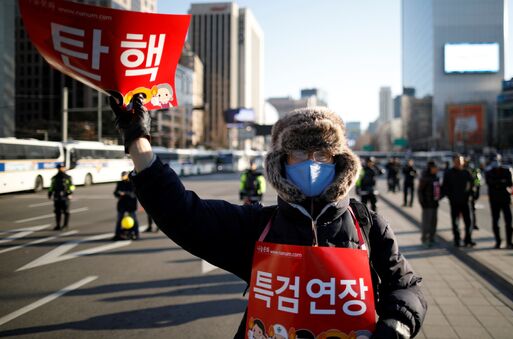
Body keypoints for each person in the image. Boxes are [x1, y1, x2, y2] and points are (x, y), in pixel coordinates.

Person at [109, 93, 426, 338]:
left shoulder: (367, 225)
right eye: (299, 154)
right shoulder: (258, 227)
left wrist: (397, 323)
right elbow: (181, 213)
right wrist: (138, 139)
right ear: (282, 163)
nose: (311, 163)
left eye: (322, 155)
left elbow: (408, 287)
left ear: (339, 161)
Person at [442, 154, 476, 247]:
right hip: (454, 201)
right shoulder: (448, 173)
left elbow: (474, 184)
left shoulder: (467, 172)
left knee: (469, 221)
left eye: (461, 161)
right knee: (455, 222)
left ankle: (468, 239)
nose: (459, 163)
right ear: (454, 162)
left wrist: (472, 195)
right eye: (457, 161)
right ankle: (457, 239)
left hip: (466, 201)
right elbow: (445, 187)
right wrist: (450, 197)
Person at [485, 154, 513, 249]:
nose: (496, 162)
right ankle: (498, 241)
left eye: (497, 160)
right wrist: (501, 182)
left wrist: (498, 183)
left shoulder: (507, 170)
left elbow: (510, 183)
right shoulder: (489, 172)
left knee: (509, 221)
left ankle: (509, 242)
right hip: (494, 200)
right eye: (493, 160)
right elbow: (490, 183)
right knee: (495, 221)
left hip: (506, 199)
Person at [418, 161, 441, 248]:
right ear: (430, 168)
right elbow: (420, 191)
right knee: (426, 223)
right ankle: (425, 239)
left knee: (434, 222)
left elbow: (438, 190)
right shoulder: (424, 178)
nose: (436, 170)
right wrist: (422, 203)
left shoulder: (436, 177)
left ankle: (432, 237)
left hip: (435, 203)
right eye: (435, 168)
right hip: (427, 204)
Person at [113, 171, 140, 240]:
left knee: (134, 219)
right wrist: (118, 194)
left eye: (124, 176)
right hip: (122, 205)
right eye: (122, 176)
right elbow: (115, 193)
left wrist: (124, 193)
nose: (122, 177)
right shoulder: (120, 183)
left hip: (131, 205)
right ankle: (117, 235)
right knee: (119, 220)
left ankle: (136, 234)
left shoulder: (132, 183)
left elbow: (133, 194)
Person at [47, 163, 75, 230]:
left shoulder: (68, 177)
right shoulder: (55, 178)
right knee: (57, 211)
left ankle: (65, 225)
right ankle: (58, 225)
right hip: (57, 196)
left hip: (65, 196)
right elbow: (51, 186)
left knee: (66, 211)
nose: (61, 169)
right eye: (60, 168)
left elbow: (72, 186)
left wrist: (70, 193)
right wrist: (50, 193)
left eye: (62, 168)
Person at [466, 157, 482, 231]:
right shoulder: (462, 170)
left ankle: (474, 224)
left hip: (471, 194)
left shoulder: (475, 171)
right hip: (464, 194)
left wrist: (476, 194)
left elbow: (478, 183)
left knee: (472, 209)